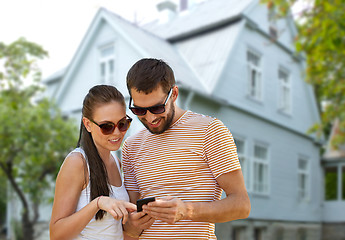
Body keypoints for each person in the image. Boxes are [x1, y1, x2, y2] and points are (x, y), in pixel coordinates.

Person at [122, 58, 251, 239]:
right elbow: (131, 217)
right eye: (140, 110)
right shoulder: (131, 146)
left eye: (157, 107)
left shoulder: (210, 130)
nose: (150, 118)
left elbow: (242, 205)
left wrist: (187, 210)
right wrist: (130, 225)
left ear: (174, 94)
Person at [50, 85, 137, 240]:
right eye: (107, 126)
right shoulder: (77, 163)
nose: (117, 132)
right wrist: (97, 203)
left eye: (123, 123)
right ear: (88, 124)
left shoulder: (116, 162)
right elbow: (56, 234)